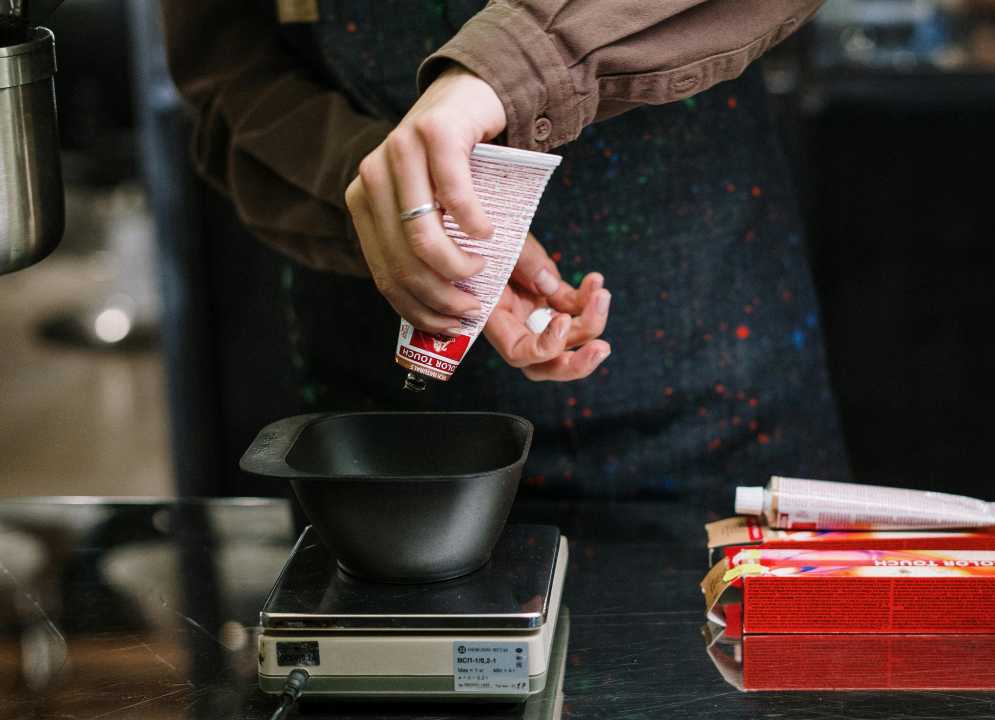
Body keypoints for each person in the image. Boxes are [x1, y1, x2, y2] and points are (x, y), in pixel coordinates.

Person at [159, 0, 850, 506]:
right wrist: (393, 199)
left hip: (717, 389)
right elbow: (229, 71)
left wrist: (504, 74)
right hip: (391, 445)